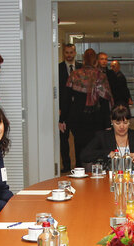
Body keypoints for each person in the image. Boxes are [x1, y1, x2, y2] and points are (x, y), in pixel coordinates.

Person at [62, 48, 113, 165]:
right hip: (96, 117)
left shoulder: (74, 74)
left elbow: (66, 99)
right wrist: (107, 124)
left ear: (83, 60)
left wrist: (62, 119)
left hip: (77, 117)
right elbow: (105, 101)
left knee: (78, 146)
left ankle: (79, 172)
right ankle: (95, 174)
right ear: (96, 61)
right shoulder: (100, 76)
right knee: (96, 147)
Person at [79, 105, 134, 172]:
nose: (122, 127)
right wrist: (108, 154)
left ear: (129, 122)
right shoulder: (102, 136)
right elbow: (84, 155)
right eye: (117, 123)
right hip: (109, 181)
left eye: (125, 122)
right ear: (112, 122)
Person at [58, 43, 80, 173]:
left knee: (78, 139)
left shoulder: (81, 68)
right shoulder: (58, 68)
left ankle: (78, 165)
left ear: (75, 53)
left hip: (77, 110)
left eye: (71, 52)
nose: (69, 55)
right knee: (63, 140)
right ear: (63, 54)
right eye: (66, 52)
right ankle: (66, 165)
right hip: (63, 110)